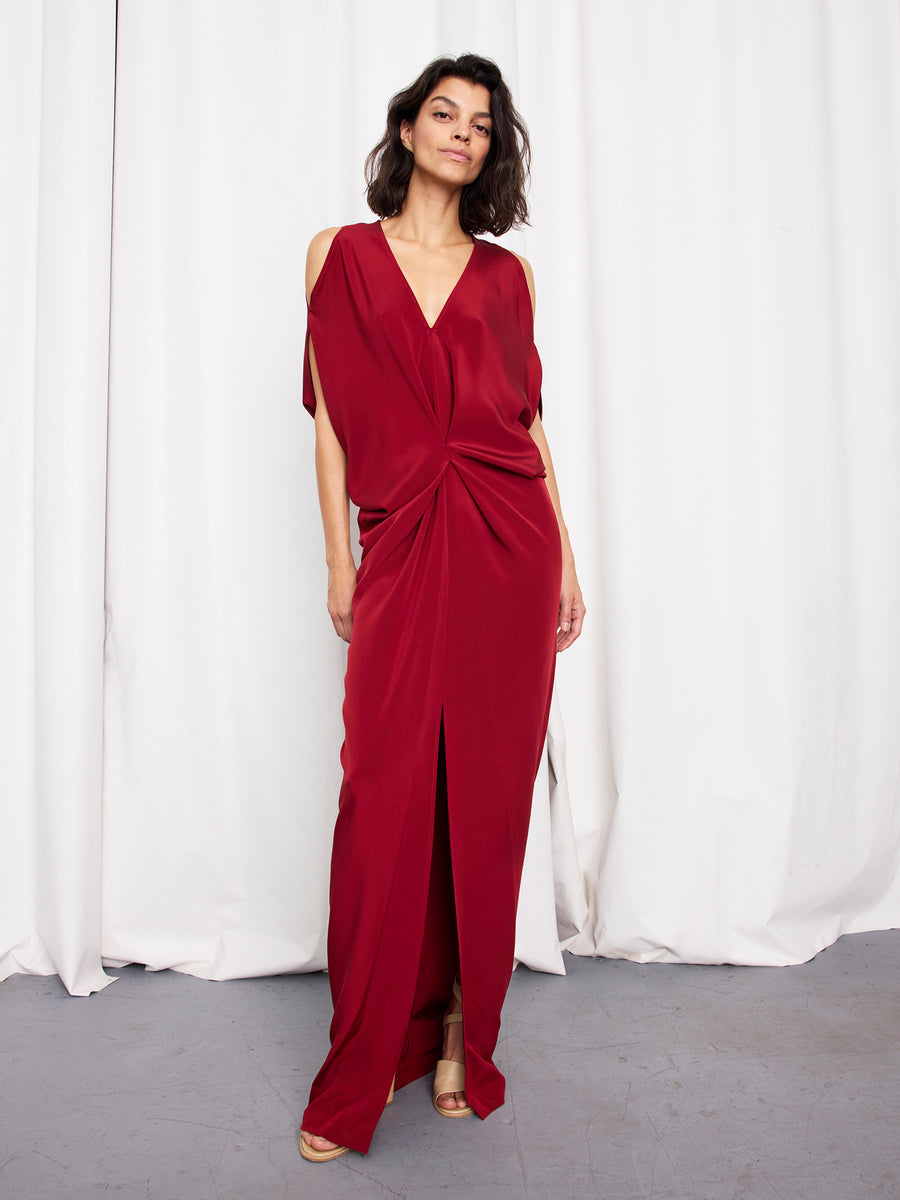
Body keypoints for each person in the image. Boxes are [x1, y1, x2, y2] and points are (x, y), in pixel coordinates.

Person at [298, 53, 585, 1162]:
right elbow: (326, 420)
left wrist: (566, 556)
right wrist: (340, 562)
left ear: (488, 150)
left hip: (510, 551)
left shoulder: (505, 278)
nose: (461, 133)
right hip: (403, 544)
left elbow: (527, 424)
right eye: (443, 114)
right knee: (382, 798)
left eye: (481, 123)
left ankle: (466, 1028)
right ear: (408, 130)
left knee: (487, 800)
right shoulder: (340, 256)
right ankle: (366, 1059)